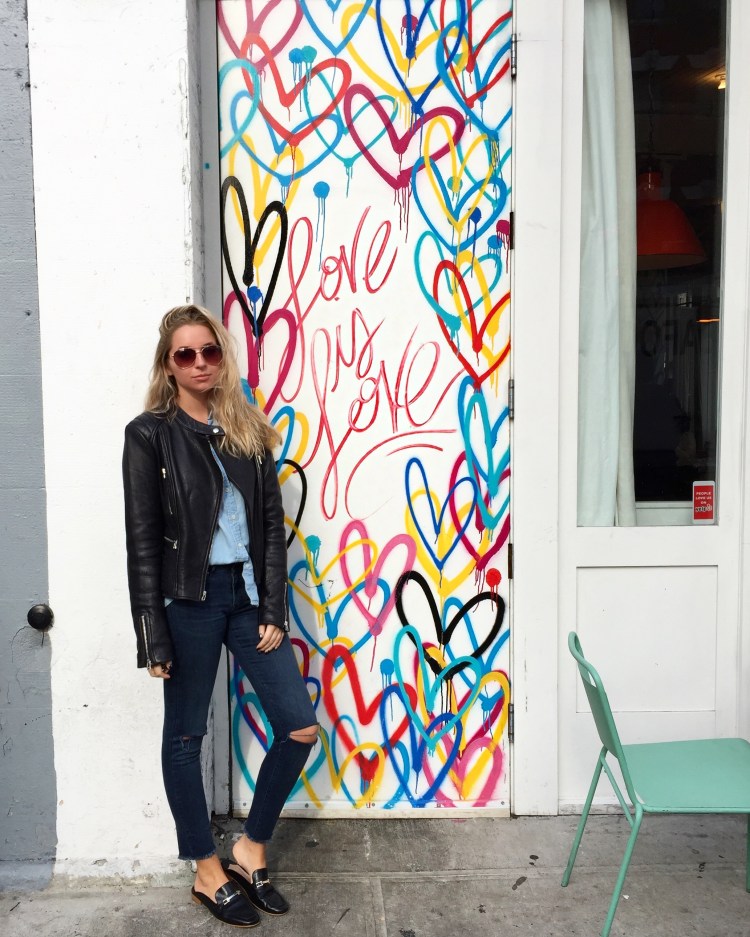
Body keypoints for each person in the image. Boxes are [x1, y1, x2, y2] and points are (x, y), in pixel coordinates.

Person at [122, 304, 318, 927]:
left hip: (245, 598)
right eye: (186, 354)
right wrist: (152, 635)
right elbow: (143, 542)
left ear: (221, 356)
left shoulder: (246, 430)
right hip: (189, 602)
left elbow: (270, 528)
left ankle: (250, 847)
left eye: (209, 351)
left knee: (298, 727)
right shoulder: (149, 435)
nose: (200, 363)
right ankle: (206, 870)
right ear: (168, 364)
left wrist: (273, 607)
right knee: (185, 737)